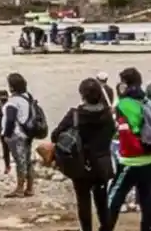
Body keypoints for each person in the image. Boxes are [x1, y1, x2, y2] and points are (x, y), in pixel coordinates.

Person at [49, 78, 115, 231]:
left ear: (82, 95)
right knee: (102, 199)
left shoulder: (75, 115)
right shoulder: (107, 115)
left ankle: (87, 229)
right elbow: (112, 133)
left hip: (81, 164)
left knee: (83, 200)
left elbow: (55, 135)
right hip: (102, 163)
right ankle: (106, 227)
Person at [107, 67, 151, 231]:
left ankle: (106, 227)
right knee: (147, 196)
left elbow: (129, 128)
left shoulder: (125, 104)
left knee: (115, 196)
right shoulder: (147, 102)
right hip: (149, 159)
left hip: (130, 160)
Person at [1, 73, 35, 198]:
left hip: (16, 134)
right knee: (27, 160)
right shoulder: (27, 98)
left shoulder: (13, 102)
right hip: (27, 133)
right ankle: (30, 187)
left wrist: (6, 135)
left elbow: (10, 119)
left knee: (19, 161)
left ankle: (20, 189)